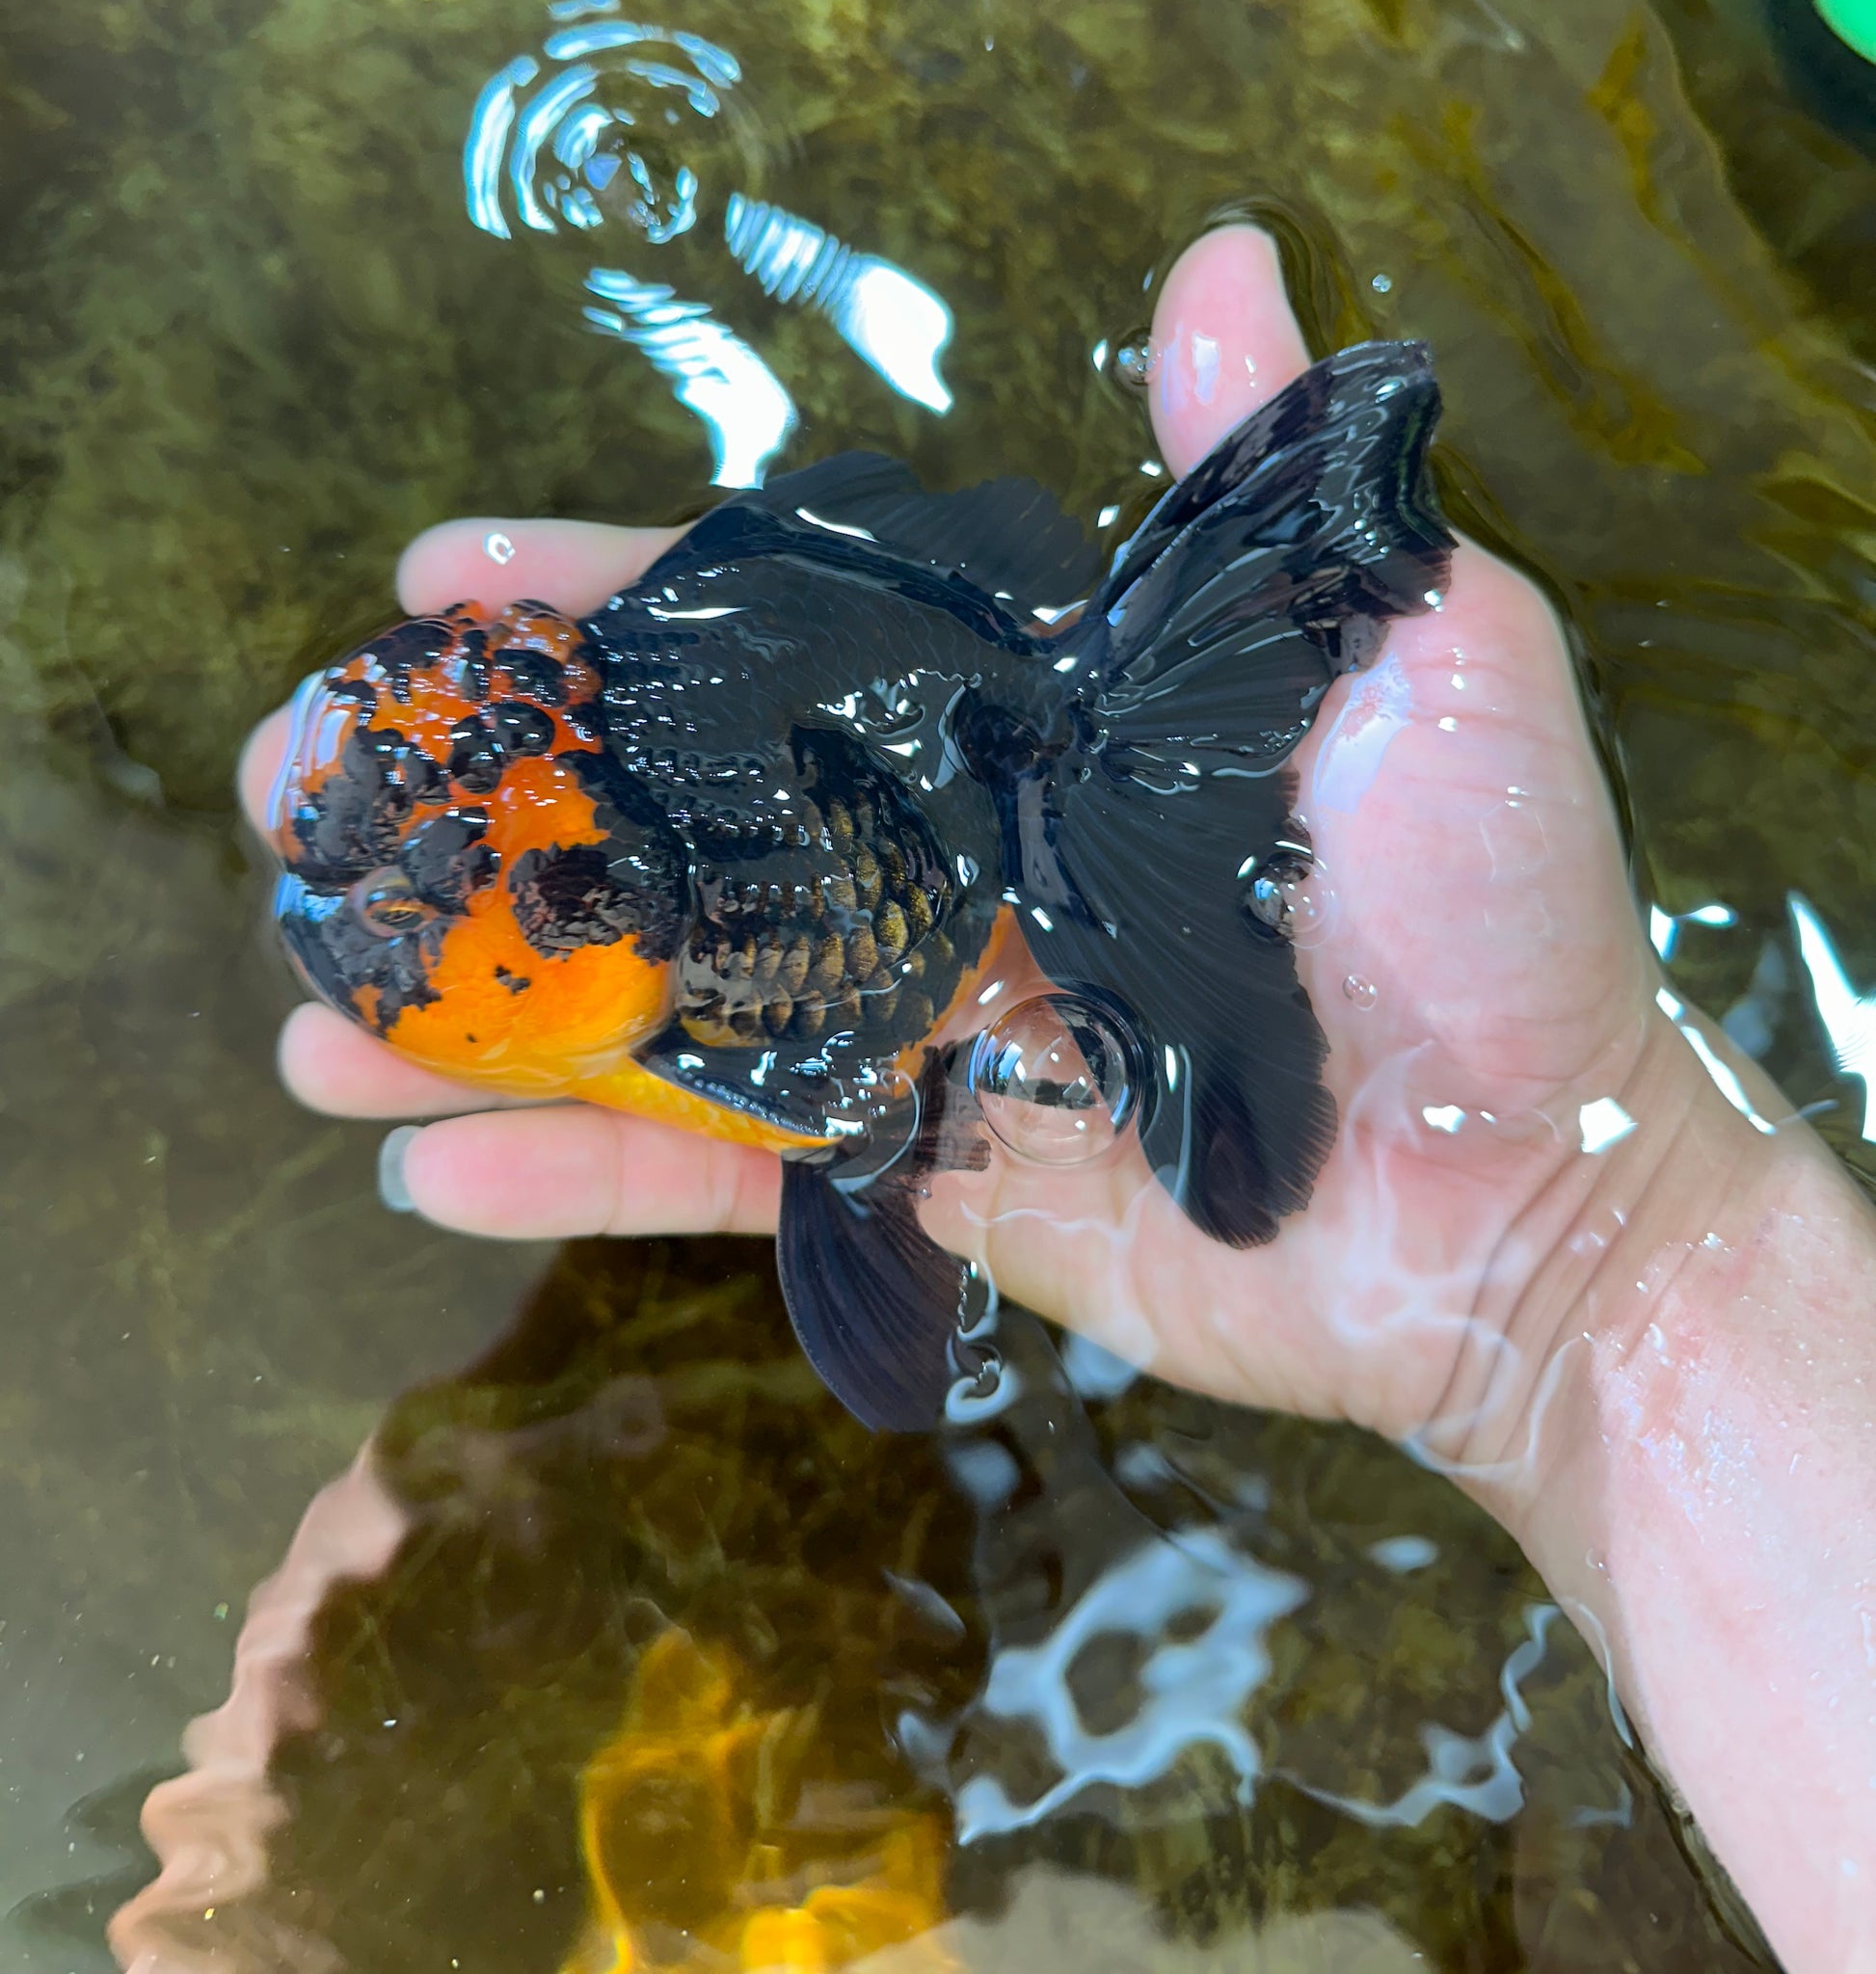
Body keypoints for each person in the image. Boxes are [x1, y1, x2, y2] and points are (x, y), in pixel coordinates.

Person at [241, 227, 1876, 1973]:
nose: (350, 902)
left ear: (595, 908)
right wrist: (1590, 1261)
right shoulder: (601, 866)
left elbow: (837, 1105)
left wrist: (1587, 1262)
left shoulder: (676, 928)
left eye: (415, 898)